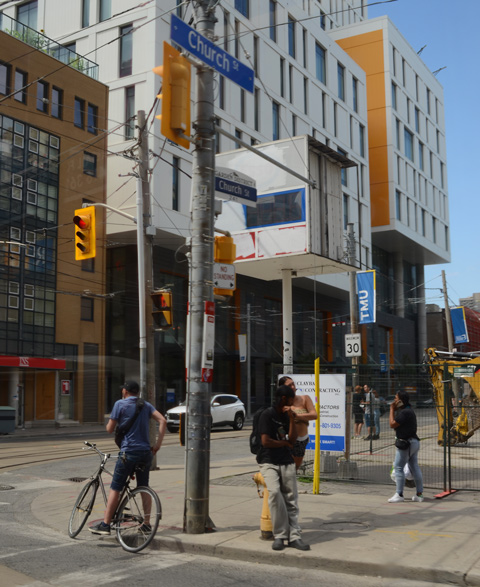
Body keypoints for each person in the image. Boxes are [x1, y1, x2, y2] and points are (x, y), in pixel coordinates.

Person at [89, 380, 167, 535]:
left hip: (129, 452)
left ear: (125, 391)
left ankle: (105, 525)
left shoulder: (120, 404)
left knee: (115, 487)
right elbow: (162, 420)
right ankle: (146, 523)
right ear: (137, 392)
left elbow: (110, 429)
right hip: (145, 453)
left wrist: (112, 423)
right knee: (144, 486)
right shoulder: (145, 405)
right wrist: (157, 445)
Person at [256, 384, 310, 551]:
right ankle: (280, 535)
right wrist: (284, 443)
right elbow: (266, 441)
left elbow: (293, 440)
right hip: (269, 461)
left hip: (286, 461)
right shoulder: (267, 415)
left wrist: (293, 419)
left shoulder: (288, 416)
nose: (294, 403)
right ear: (284, 399)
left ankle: (294, 536)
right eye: (292, 399)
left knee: (291, 499)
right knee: (274, 494)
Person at [388, 390, 424, 503]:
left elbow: (392, 424)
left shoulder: (405, 413)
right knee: (414, 467)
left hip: (406, 444)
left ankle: (399, 494)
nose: (394, 400)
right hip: (413, 443)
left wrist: (392, 409)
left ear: (400, 401)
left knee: (398, 468)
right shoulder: (409, 411)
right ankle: (419, 494)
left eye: (395, 398)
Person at [278, 376, 317, 470]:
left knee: (294, 468)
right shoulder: (282, 403)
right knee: (285, 468)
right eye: (289, 385)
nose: (292, 387)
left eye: (293, 384)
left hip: (301, 439)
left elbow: (314, 415)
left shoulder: (304, 398)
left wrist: (297, 415)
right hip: (286, 439)